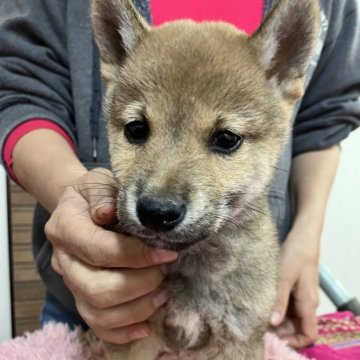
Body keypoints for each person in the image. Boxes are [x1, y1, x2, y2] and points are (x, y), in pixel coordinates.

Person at [0, 0, 359, 349]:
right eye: (138, 130)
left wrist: (307, 236)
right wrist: (69, 190)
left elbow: (324, 122)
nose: (159, 194)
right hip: (90, 302)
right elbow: (21, 88)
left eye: (225, 139)